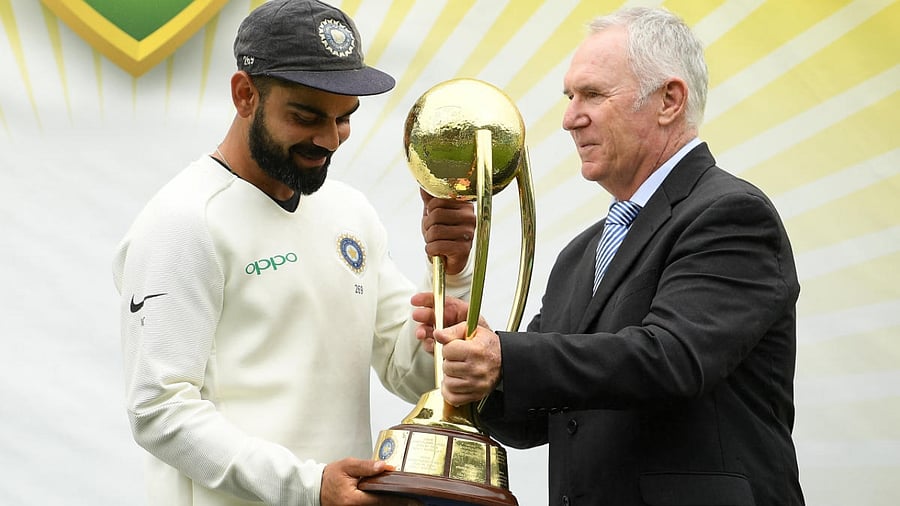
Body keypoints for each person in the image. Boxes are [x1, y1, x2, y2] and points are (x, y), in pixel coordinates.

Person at [414, 6, 805, 506]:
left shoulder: (731, 214)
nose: (569, 118)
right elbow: (539, 417)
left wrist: (507, 357)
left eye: (593, 95)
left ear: (668, 100)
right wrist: (476, 365)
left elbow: (673, 359)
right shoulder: (581, 254)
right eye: (570, 96)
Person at [111, 1, 475, 505]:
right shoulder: (183, 220)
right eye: (305, 117)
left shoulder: (350, 211)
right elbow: (158, 411)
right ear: (245, 95)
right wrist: (308, 486)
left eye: (345, 119)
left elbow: (411, 373)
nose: (329, 139)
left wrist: (451, 275)